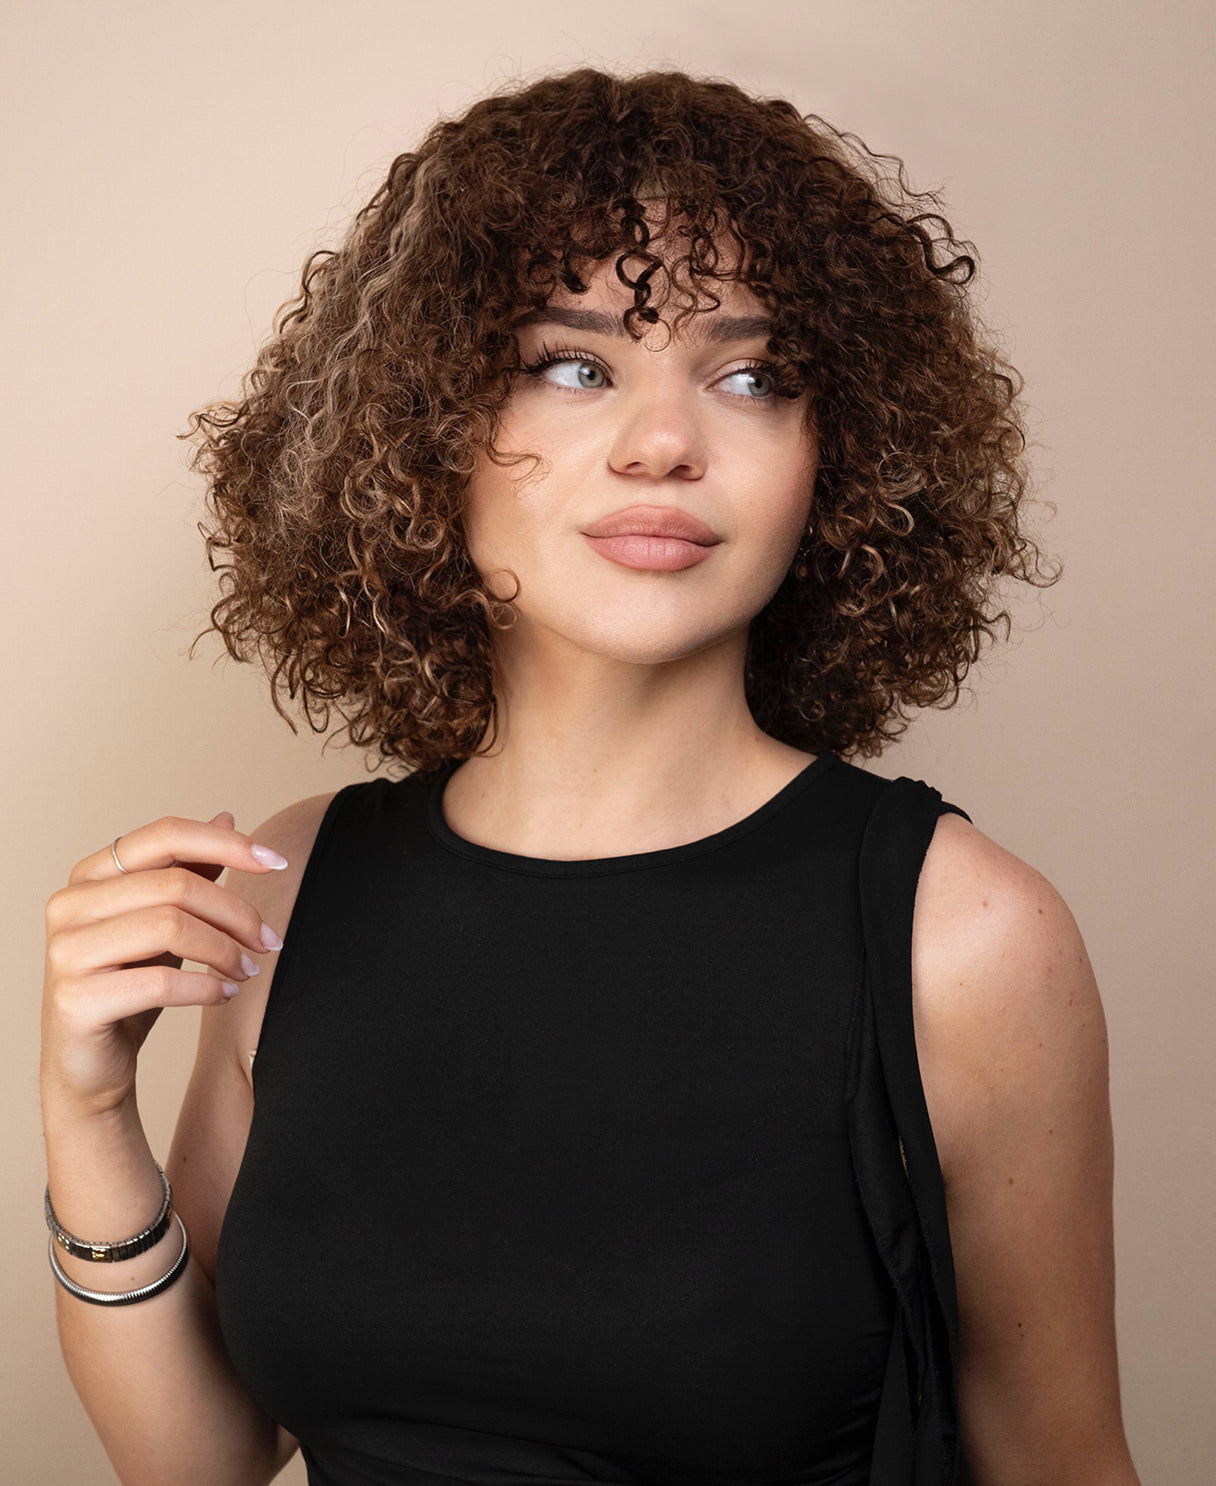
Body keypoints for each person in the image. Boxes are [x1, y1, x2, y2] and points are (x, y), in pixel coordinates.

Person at [40, 66, 1141, 1486]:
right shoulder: (296, 879)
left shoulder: (963, 939)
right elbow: (203, 1459)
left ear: (838, 457)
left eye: (751, 375)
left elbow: (1063, 1461)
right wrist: (85, 1112)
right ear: (430, 427)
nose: (663, 442)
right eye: (575, 363)